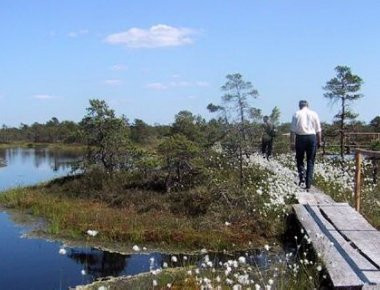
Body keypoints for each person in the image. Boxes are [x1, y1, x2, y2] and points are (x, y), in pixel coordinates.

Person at [290, 100, 322, 191]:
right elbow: (318, 130)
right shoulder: (314, 114)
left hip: (300, 138)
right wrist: (319, 142)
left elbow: (292, 130)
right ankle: (308, 184)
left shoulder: (296, 114)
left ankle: (302, 176)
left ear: (299, 106)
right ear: (308, 106)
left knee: (299, 159)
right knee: (310, 161)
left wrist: (292, 143)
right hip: (312, 138)